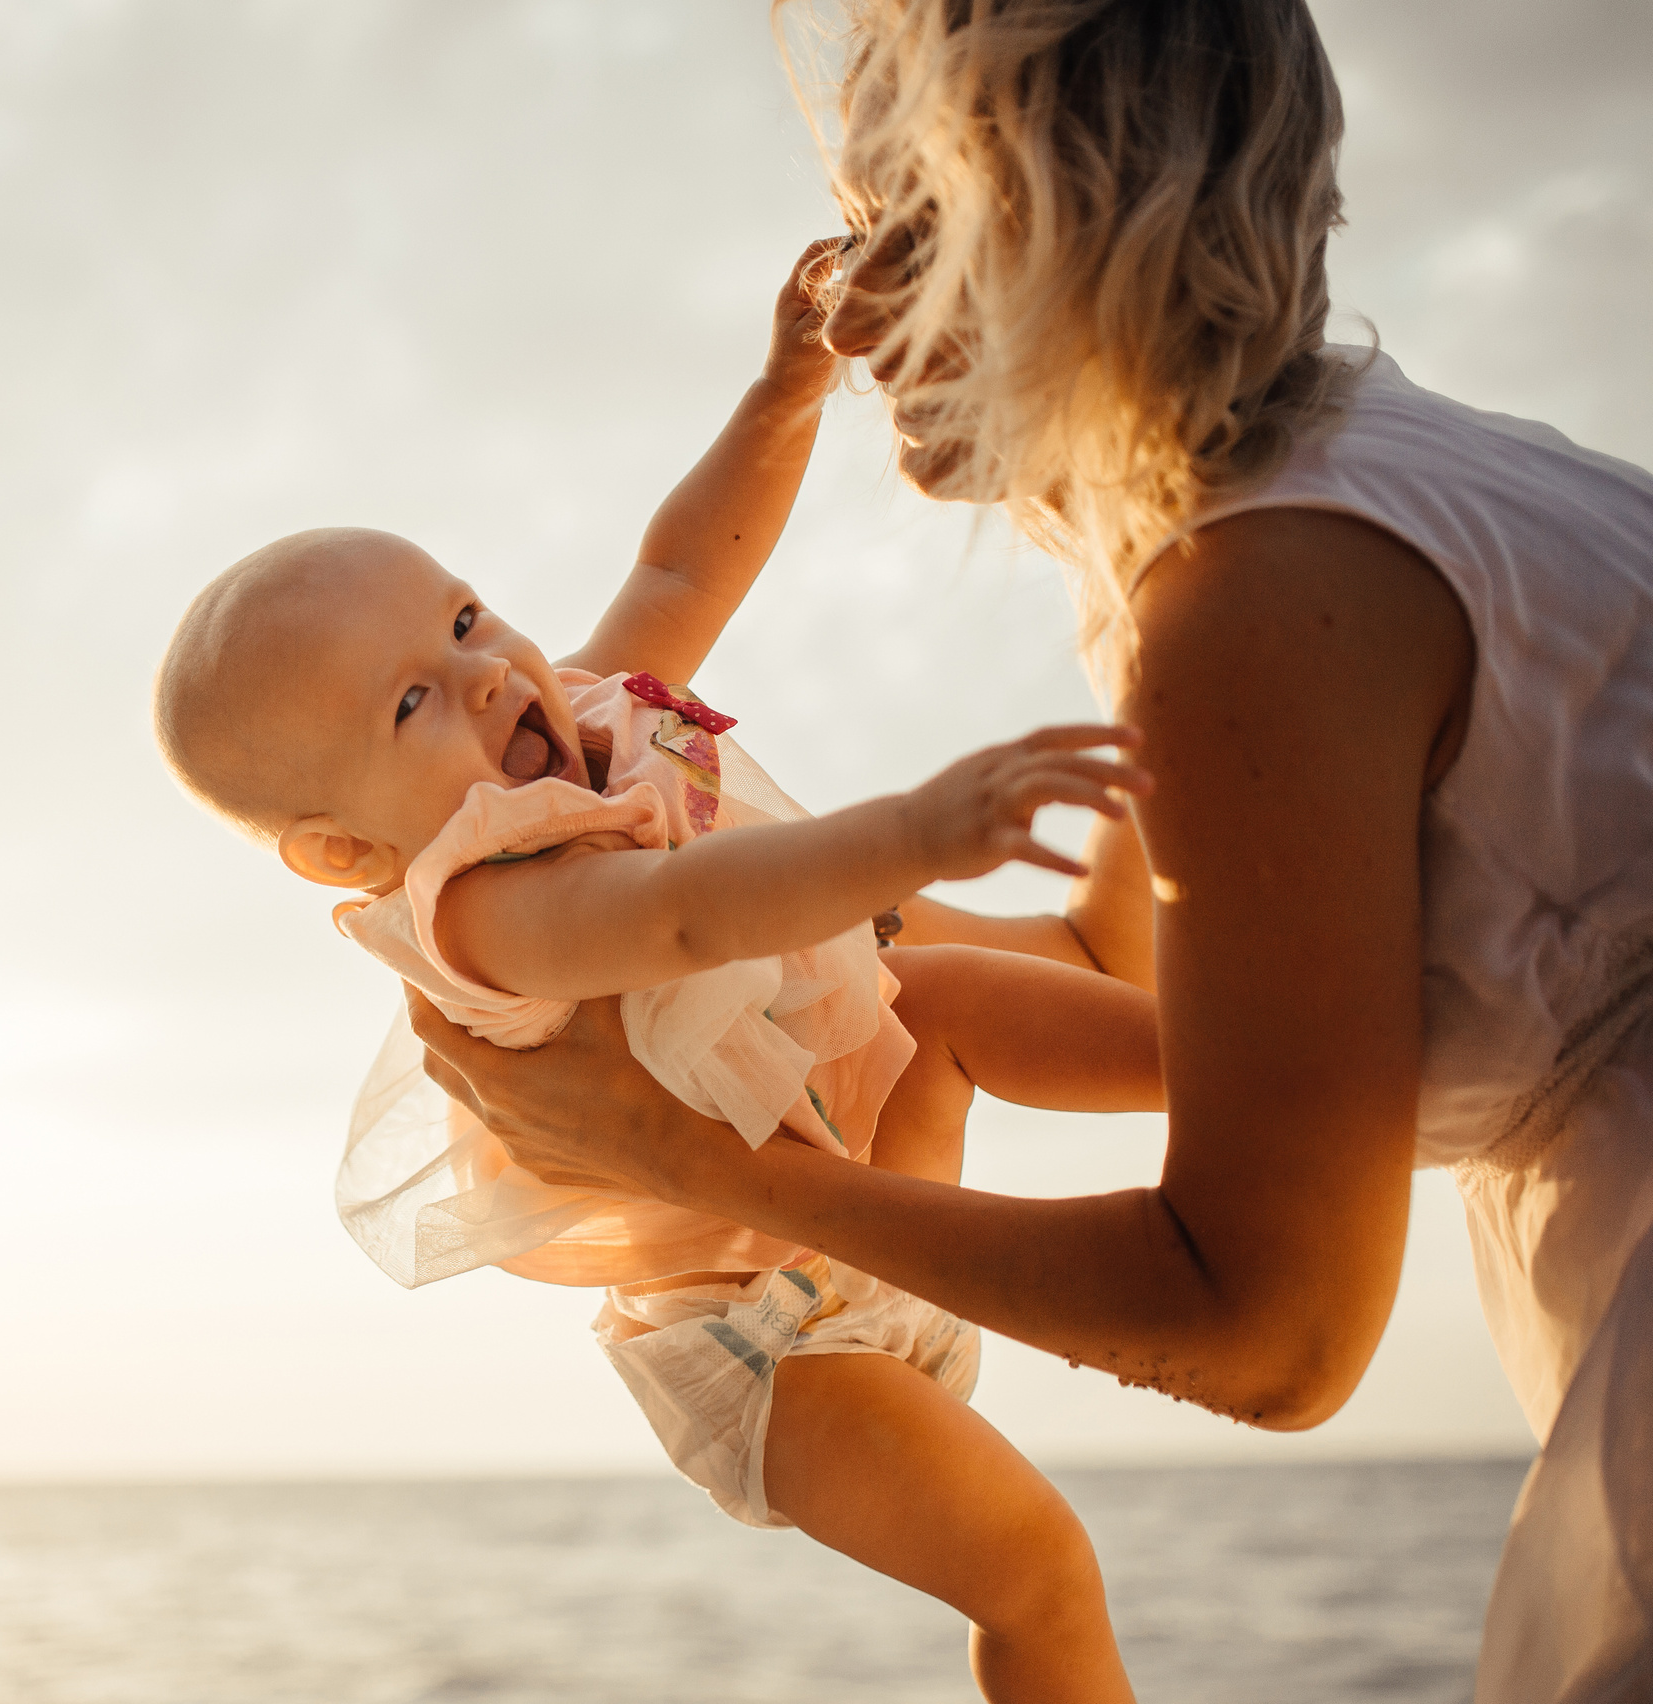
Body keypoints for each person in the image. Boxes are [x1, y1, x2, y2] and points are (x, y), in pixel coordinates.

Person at [406, 3, 1653, 1700]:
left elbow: (1268, 1332)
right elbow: (1110, 975)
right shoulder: (1314, 501)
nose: (851, 299)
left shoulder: (1262, 596)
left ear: (1070, 228)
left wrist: (695, 1162)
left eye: (905, 230)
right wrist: (850, 945)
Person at [154, 246, 1167, 1702]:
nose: (492, 674)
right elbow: (687, 916)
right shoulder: (483, 916)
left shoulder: (587, 710)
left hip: (868, 1188)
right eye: (412, 702)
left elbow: (682, 567)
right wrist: (915, 836)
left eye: (461, 620)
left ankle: (1281, 1080)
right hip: (774, 1353)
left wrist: (784, 391)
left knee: (945, 1010)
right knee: (1040, 1576)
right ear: (340, 853)